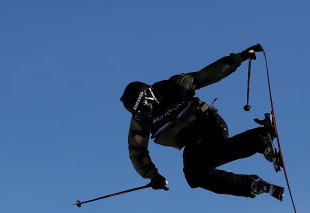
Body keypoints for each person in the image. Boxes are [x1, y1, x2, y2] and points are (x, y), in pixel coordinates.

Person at [119, 44, 285, 201]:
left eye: (147, 106)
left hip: (208, 125)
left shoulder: (174, 87)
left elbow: (206, 75)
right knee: (194, 176)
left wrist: (239, 58)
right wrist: (152, 175)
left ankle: (260, 139)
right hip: (192, 143)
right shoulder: (141, 121)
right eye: (141, 112)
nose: (148, 112)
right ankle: (252, 185)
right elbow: (137, 150)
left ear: (150, 95)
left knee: (214, 151)